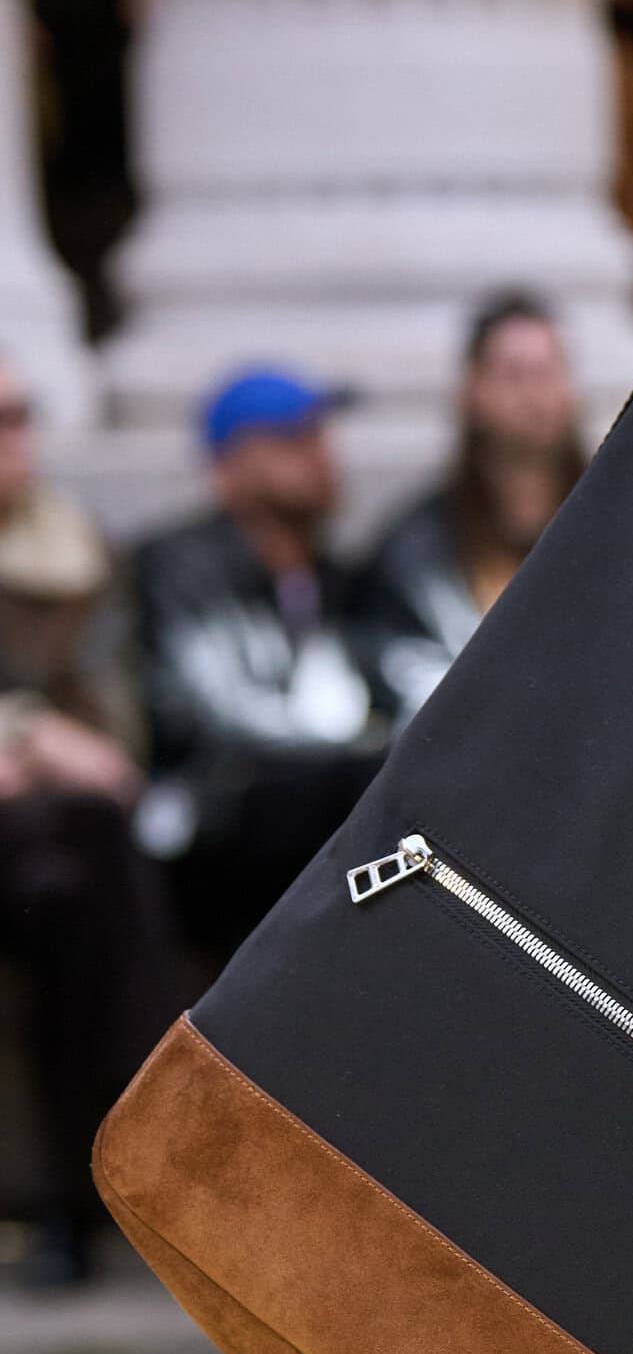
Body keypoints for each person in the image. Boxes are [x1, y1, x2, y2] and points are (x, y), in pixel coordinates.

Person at [0, 361, 174, 1285]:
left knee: (70, 870)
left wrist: (32, 746)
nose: (13, 440)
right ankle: (146, 1157)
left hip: (50, 841)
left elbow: (112, 743)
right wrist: (31, 732)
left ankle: (83, 1202)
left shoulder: (74, 551)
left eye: (20, 416)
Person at [131, 367, 385, 959]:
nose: (320, 454)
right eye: (292, 438)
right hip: (220, 817)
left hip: (324, 804)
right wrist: (361, 750)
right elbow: (213, 721)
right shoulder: (180, 566)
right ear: (228, 468)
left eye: (321, 434)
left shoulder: (341, 576)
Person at [353, 293, 585, 729]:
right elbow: (403, 680)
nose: (536, 394)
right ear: (473, 392)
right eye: (515, 374)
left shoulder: (616, 525)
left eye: (549, 371)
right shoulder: (416, 551)